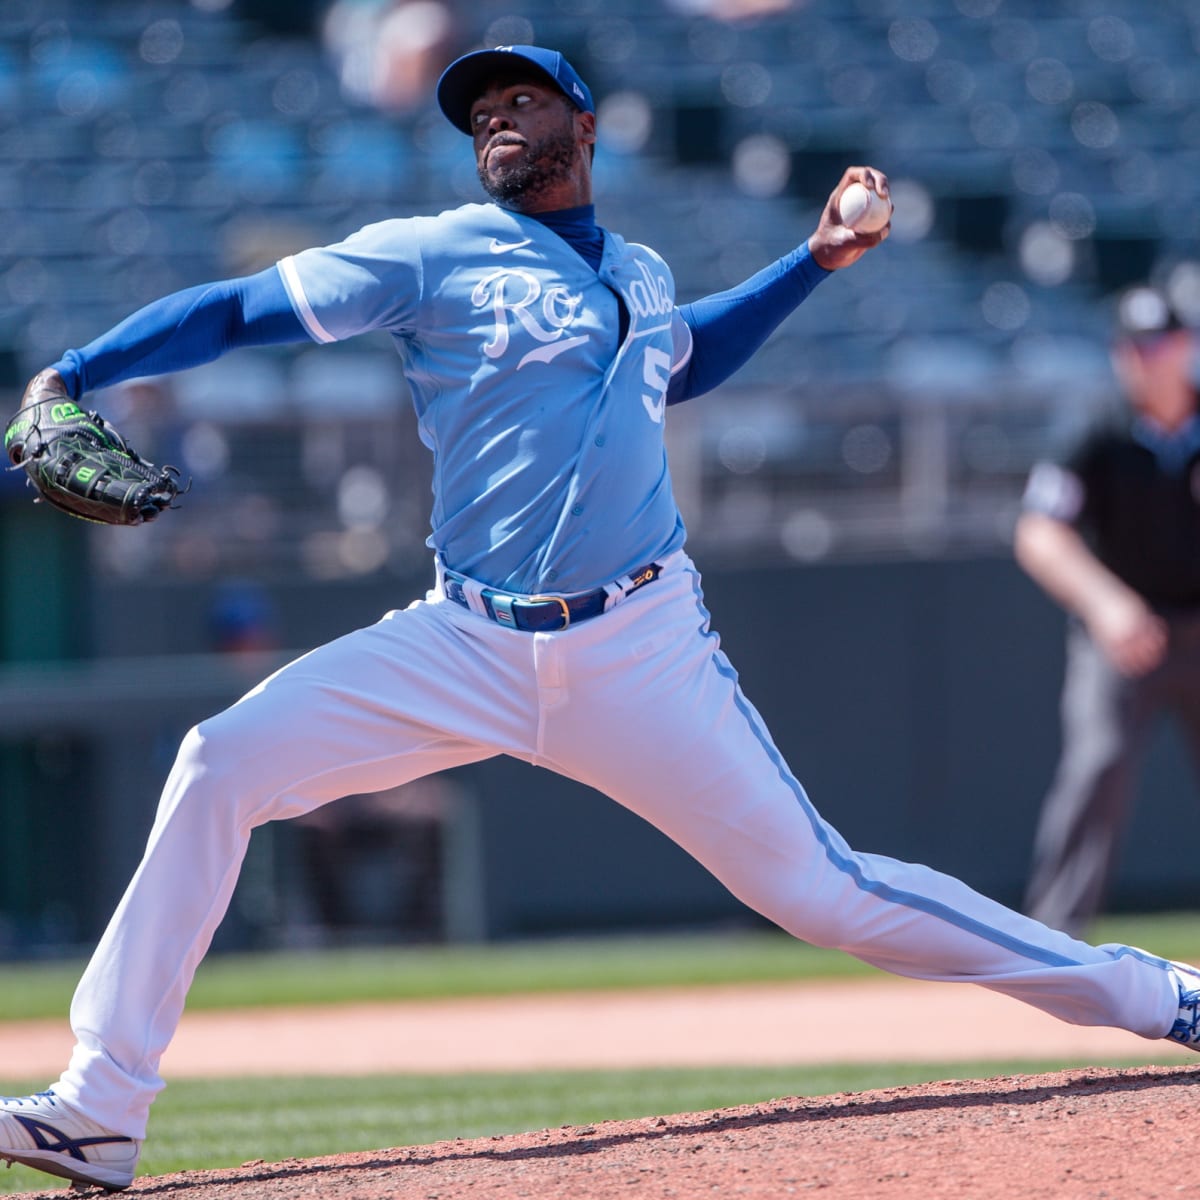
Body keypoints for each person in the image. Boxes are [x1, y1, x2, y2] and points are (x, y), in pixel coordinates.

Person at [1, 44, 1199, 1193]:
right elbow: (240, 308)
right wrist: (72, 375)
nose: (496, 123)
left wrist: (816, 259)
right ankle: (105, 1107)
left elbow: (682, 361)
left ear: (584, 126)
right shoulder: (431, 254)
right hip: (462, 640)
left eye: (520, 103)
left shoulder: (640, 272)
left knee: (829, 893)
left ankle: (1159, 998)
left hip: (640, 649)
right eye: (478, 116)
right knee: (219, 760)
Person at [1017, 283, 1200, 937]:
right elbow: (1039, 531)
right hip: (1123, 637)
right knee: (1096, 766)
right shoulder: (1096, 428)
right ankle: (1051, 945)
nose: (1152, 358)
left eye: (1164, 343)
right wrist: (1108, 604)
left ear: (1188, 347)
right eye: (1137, 346)